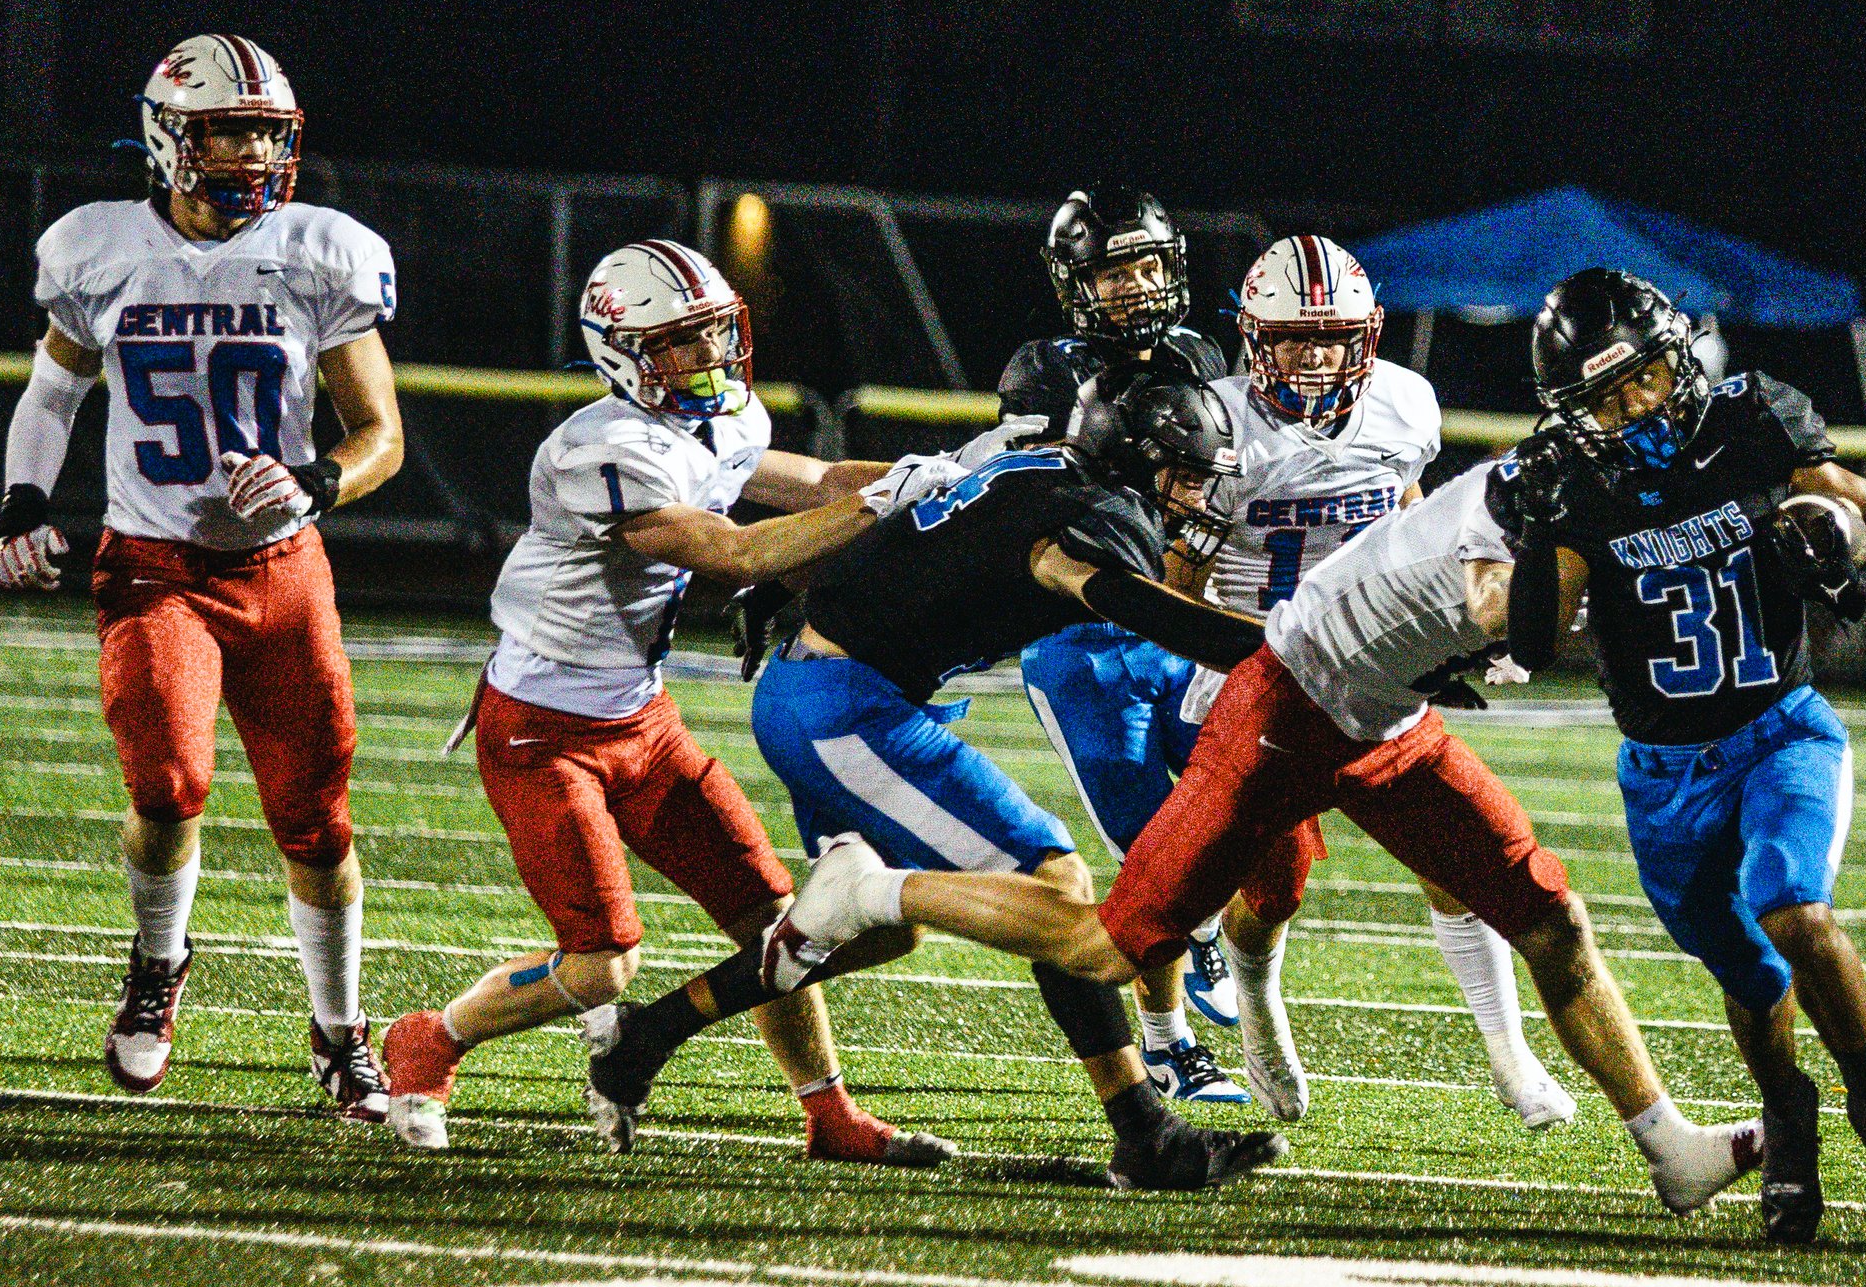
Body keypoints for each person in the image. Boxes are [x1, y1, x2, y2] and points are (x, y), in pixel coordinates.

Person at [752, 432, 1767, 1216]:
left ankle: (1666, 1144)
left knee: (1549, 914)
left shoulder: (1514, 480)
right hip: (1286, 708)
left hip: (1386, 716)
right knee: (1110, 946)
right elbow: (1507, 615)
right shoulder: (1504, 518)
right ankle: (869, 890)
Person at [589, 371, 1290, 1191]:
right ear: (1136, 463)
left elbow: (921, 529)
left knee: (891, 938)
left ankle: (645, 1040)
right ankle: (1144, 1131)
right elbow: (1155, 615)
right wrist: (1312, 650)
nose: (1197, 497)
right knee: (1055, 890)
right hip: (845, 709)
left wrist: (790, 586)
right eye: (1185, 474)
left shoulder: (1043, 467)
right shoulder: (1088, 523)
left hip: (826, 691)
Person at [378, 240, 955, 1167]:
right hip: (541, 730)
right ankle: (431, 1039)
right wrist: (882, 507)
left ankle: (828, 1114)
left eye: (715, 333)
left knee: (781, 929)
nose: (709, 357)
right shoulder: (603, 449)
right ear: (623, 353)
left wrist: (942, 476)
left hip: (642, 721)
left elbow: (810, 483)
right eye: (682, 342)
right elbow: (732, 553)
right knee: (602, 962)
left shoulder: (720, 419)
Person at [0, 34, 403, 1121]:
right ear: (175, 135)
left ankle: (339, 1029)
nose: (257, 152)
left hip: (281, 572)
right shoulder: (100, 248)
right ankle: (159, 965)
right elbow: (52, 397)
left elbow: (380, 434)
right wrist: (26, 501)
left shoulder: (320, 252)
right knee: (167, 787)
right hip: (155, 566)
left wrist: (318, 481)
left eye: (271, 131)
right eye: (235, 129)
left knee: (317, 824)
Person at [1487, 267, 1866, 1244]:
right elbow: (1531, 641)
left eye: (1645, 378)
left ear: (1678, 357)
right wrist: (1532, 527)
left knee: (1794, 907)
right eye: (1605, 398)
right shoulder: (1575, 480)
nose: (1635, 404)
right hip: (1662, 774)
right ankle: (1788, 1115)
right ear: (1574, 412)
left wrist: (1861, 578)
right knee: (1748, 974)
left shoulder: (1755, 420)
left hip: (1780, 729)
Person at [1109, 233, 1575, 1128]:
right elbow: (1172, 593)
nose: (1314, 353)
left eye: (1333, 334)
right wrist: (1200, 544)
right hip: (1253, 672)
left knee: (1458, 864)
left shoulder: (1404, 405)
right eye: (1291, 336)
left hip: (1377, 663)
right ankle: (1254, 1001)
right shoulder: (1212, 420)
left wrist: (1465, 627)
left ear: (1367, 335)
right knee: (1267, 891)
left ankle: (1512, 1061)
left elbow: (1413, 520)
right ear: (1253, 337)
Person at [1000, 187, 1246, 1100]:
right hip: (1083, 638)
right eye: (1114, 271)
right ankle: (1170, 1045)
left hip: (1175, 623)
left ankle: (1207, 930)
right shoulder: (1042, 373)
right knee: (1153, 854)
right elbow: (1020, 497)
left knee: (1234, 807)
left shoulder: (1197, 354)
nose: (1137, 287)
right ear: (1076, 284)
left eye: (1148, 264)